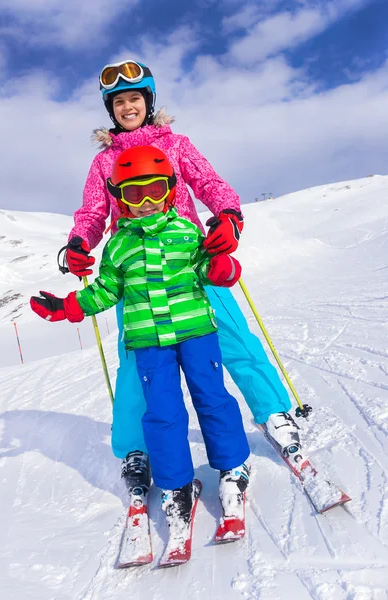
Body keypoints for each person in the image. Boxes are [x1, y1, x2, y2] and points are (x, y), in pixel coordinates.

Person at [63, 59, 300, 494]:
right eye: (119, 101)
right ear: (110, 109)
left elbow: (209, 183)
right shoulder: (103, 164)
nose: (128, 106)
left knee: (234, 339)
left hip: (191, 262)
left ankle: (273, 412)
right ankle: (136, 448)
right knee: (136, 364)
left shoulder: (176, 144)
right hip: (136, 277)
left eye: (135, 98)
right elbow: (94, 211)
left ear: (148, 101)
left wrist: (228, 216)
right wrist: (79, 242)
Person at [32, 145, 250, 534]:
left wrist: (223, 264)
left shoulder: (186, 231)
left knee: (213, 398)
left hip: (197, 334)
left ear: (169, 191)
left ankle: (233, 466)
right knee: (162, 414)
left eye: (153, 190)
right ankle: (176, 485)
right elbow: (104, 291)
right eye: (134, 193)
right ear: (120, 198)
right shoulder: (118, 246)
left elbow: (212, 271)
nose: (145, 202)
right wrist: (67, 307)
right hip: (149, 344)